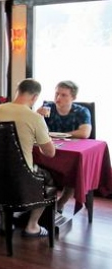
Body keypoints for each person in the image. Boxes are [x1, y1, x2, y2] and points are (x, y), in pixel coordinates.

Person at [0, 78, 56, 237]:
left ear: (17, 92)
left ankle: (5, 222)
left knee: (4, 171)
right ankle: (32, 226)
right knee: (48, 178)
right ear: (35, 97)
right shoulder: (35, 117)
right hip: (20, 176)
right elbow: (49, 153)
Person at [37, 80, 92, 213]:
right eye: (57, 94)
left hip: (70, 152)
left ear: (73, 97)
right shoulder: (48, 107)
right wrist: (37, 116)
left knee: (73, 169)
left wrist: (63, 135)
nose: (58, 97)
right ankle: (38, 204)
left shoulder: (81, 111)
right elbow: (36, 129)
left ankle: (60, 203)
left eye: (63, 95)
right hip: (50, 150)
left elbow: (85, 133)